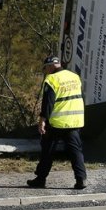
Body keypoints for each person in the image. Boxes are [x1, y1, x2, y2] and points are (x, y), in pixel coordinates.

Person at [27, 56, 87, 189]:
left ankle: (40, 179)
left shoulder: (52, 79)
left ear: (50, 66)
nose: (46, 71)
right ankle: (81, 179)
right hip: (75, 121)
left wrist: (42, 120)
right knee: (75, 151)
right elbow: (80, 97)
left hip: (57, 122)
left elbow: (48, 103)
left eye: (45, 68)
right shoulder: (74, 76)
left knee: (48, 151)